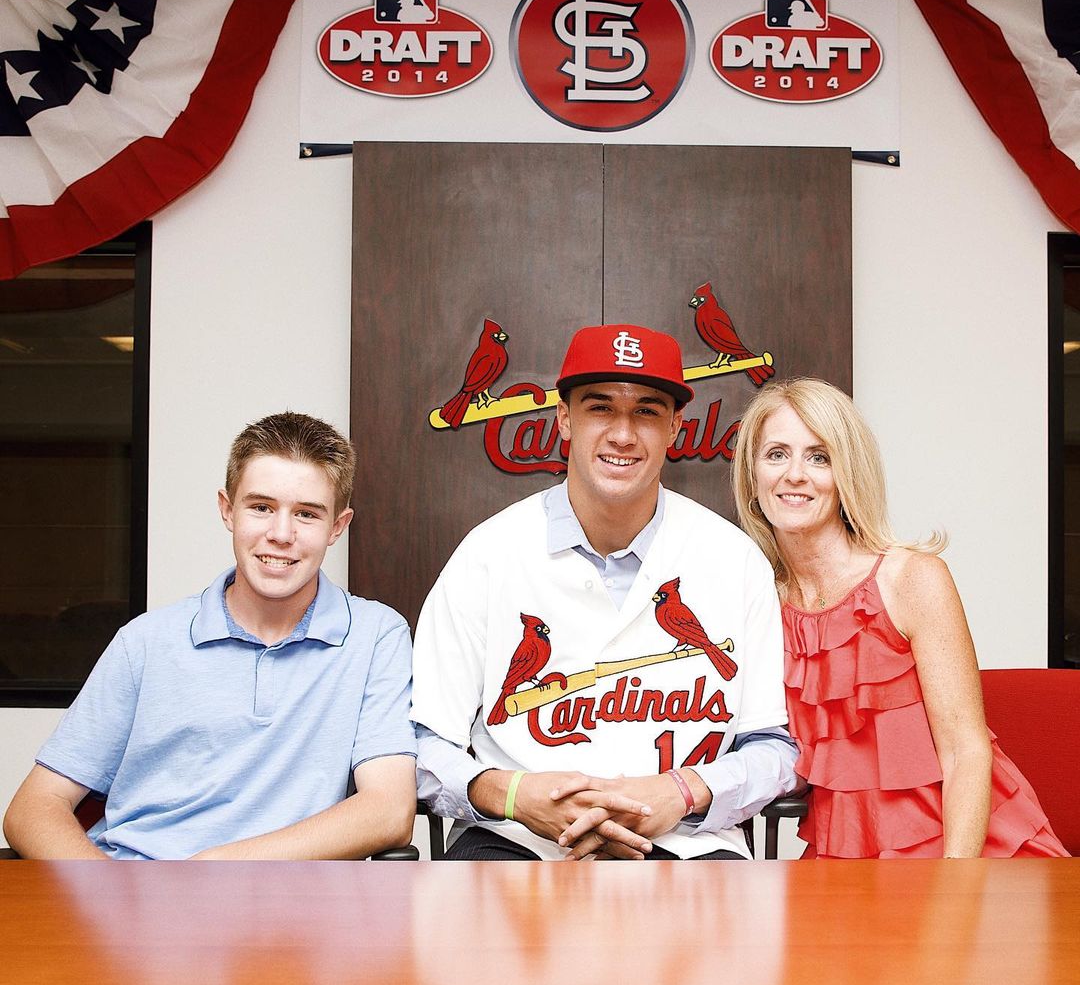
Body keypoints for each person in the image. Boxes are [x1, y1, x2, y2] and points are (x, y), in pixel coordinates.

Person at [411, 324, 798, 860]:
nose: (622, 433)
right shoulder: (487, 553)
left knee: (732, 941)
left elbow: (772, 749)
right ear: (564, 419)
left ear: (675, 428)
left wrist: (680, 792)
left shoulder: (734, 560)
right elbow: (424, 745)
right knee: (470, 940)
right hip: (516, 841)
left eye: (646, 410)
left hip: (687, 843)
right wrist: (518, 797)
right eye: (600, 408)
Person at [3, 412, 417, 860]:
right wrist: (109, 900)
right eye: (260, 507)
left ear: (338, 526)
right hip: (135, 893)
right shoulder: (145, 641)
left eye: (306, 514)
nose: (280, 534)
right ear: (227, 510)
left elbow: (388, 810)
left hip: (290, 907)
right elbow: (33, 808)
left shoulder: (376, 636)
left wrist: (215, 869)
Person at [732, 378, 1068, 858]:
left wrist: (956, 892)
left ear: (847, 471)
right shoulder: (758, 601)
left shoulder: (913, 578)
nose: (795, 475)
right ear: (752, 474)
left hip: (967, 854)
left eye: (819, 456)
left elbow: (966, 751)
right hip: (847, 855)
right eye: (777, 454)